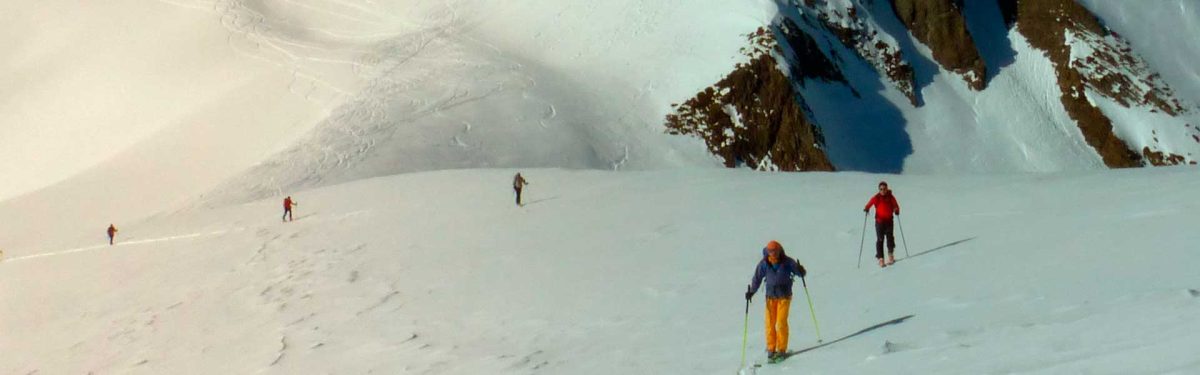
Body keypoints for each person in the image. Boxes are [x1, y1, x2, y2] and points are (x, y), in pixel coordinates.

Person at [744, 240, 807, 361]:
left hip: (784, 297)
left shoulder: (787, 262)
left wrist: (801, 270)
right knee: (769, 324)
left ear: (779, 250)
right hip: (770, 298)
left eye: (775, 251)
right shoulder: (764, 264)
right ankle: (771, 349)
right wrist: (751, 291)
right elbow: (757, 278)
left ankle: (781, 349)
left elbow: (799, 272)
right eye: (770, 251)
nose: (772, 254)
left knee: (781, 323)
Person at [864, 181, 900, 267]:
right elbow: (870, 203)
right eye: (881, 189)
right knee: (880, 240)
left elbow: (896, 205)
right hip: (879, 222)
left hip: (889, 221)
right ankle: (881, 259)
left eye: (884, 189)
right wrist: (866, 208)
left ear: (887, 189)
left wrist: (896, 210)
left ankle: (890, 255)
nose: (883, 190)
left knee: (890, 238)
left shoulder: (891, 197)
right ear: (879, 190)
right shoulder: (877, 198)